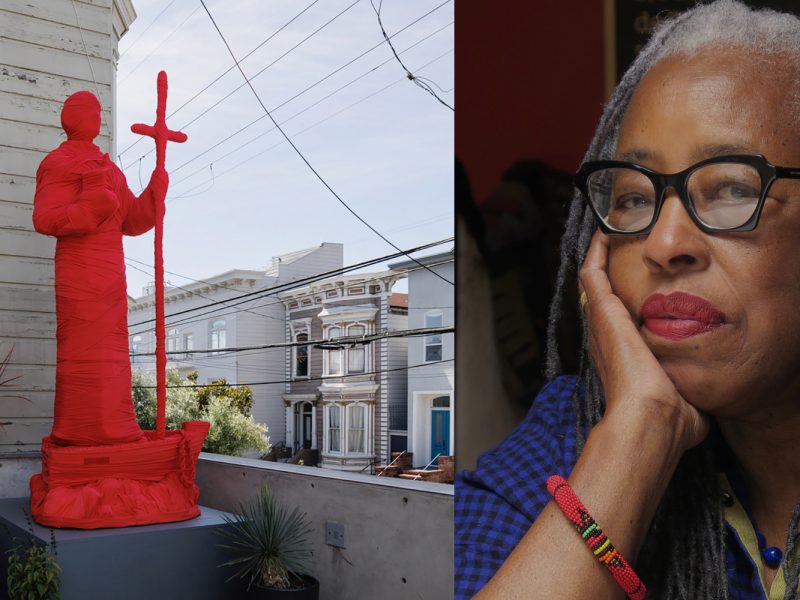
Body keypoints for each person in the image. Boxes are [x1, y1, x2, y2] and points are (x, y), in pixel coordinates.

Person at [455, 1, 800, 598]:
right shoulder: (580, 427)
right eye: (636, 198)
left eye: (731, 189)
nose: (663, 244)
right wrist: (637, 438)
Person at [33, 90, 168, 446]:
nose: (96, 117)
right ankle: (77, 434)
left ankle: (117, 431)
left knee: (111, 360)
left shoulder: (109, 168)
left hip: (110, 276)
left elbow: (133, 219)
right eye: (89, 111)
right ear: (73, 118)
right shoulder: (56, 163)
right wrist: (89, 208)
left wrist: (155, 192)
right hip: (78, 273)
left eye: (97, 111)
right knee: (81, 355)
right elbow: (44, 218)